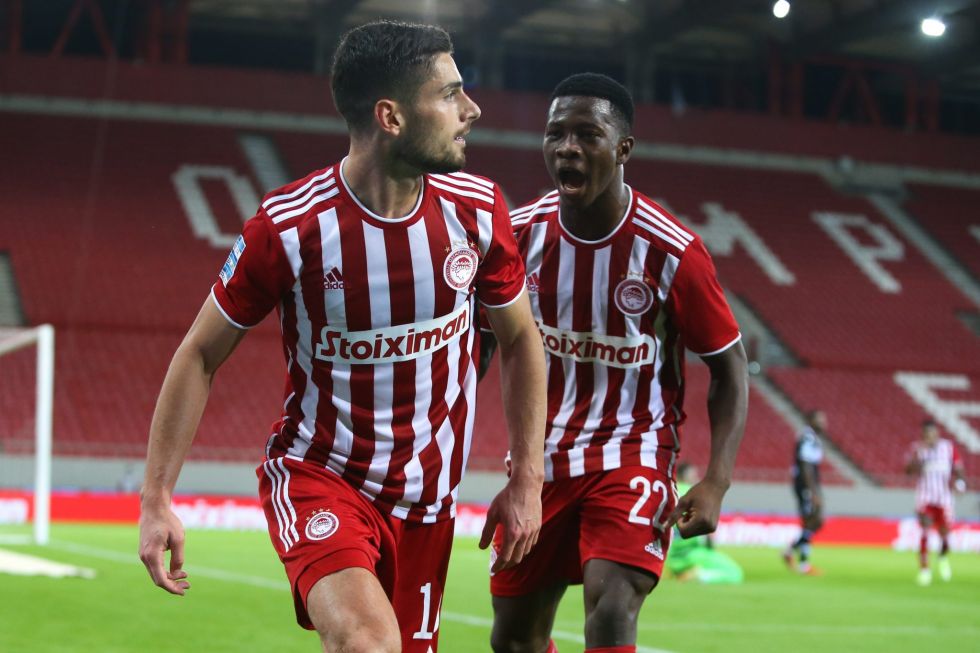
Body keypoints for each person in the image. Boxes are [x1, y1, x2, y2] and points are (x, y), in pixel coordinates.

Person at [138, 20, 547, 653]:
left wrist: (527, 478)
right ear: (391, 116)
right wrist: (156, 497)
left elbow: (520, 340)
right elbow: (199, 353)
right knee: (367, 642)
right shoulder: (290, 227)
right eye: (449, 94)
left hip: (428, 502)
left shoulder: (478, 210)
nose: (472, 110)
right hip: (320, 477)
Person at [481, 73, 748, 653]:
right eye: (556, 134)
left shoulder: (671, 251)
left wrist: (717, 480)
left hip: (634, 451)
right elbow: (479, 344)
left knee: (610, 610)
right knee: (514, 640)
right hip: (541, 463)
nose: (567, 148)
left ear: (623, 148)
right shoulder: (518, 237)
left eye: (587, 135)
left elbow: (729, 367)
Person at [905, 419, 966, 586]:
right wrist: (917, 460)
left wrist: (960, 484)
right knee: (925, 530)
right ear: (922, 435)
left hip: (944, 498)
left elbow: (958, 469)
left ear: (937, 434)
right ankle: (924, 570)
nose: (929, 437)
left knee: (945, 534)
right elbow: (908, 471)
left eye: (931, 434)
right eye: (926, 434)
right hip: (925, 497)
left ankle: (943, 557)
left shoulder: (948, 448)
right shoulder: (917, 449)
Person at [664, 463, 744, 584]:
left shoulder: (668, 492)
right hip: (691, 555)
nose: (696, 478)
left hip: (670, 557)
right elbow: (705, 523)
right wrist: (710, 546)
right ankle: (697, 575)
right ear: (686, 476)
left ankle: (677, 572)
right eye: (694, 475)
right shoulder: (693, 494)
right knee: (735, 573)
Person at [782, 409, 826, 575]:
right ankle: (801, 561)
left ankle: (794, 556)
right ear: (810, 420)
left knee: (812, 522)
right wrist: (812, 491)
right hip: (805, 485)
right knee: (814, 520)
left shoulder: (812, 438)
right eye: (819, 420)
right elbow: (805, 465)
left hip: (809, 485)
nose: (823, 423)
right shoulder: (807, 438)